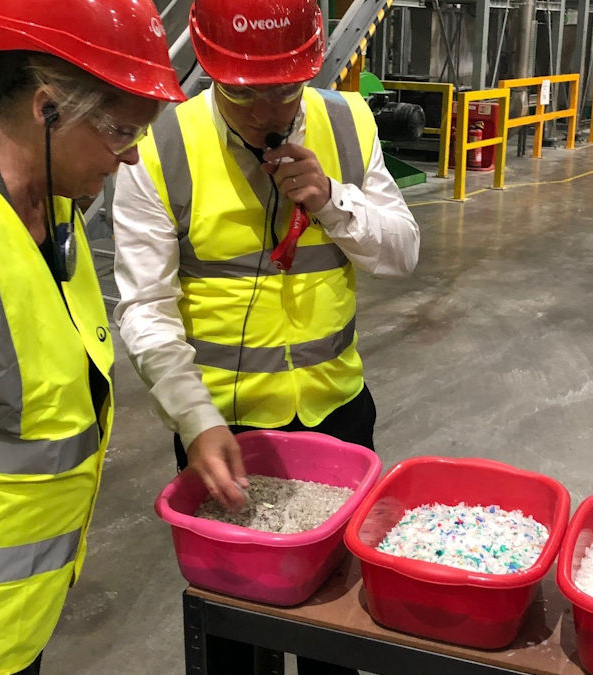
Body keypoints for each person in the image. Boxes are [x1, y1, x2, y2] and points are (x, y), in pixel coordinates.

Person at [112, 0, 419, 672]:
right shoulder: (159, 147)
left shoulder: (346, 122)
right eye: (244, 94)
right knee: (233, 632)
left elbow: (403, 252)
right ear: (210, 68)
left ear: (307, 67)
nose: (266, 113)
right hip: (223, 435)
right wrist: (194, 421)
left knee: (336, 627)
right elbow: (144, 308)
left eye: (284, 90)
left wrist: (333, 200)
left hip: (337, 418)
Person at [0, 1, 185, 673]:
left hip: (12, 627)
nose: (133, 155)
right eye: (117, 130)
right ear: (47, 108)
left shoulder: (53, 212)